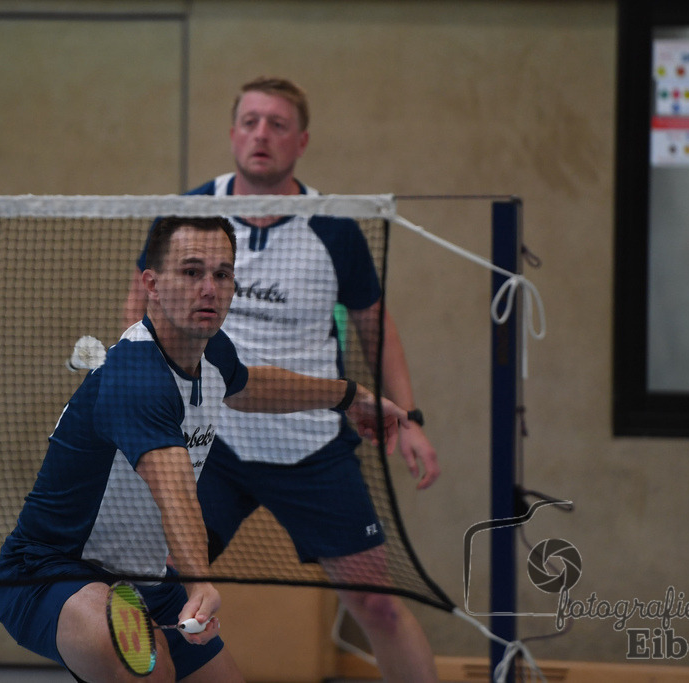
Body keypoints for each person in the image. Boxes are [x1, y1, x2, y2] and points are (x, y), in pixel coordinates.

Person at [0, 215, 409, 683]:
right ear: (152, 283)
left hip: (145, 578)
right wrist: (199, 584)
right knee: (150, 671)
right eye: (192, 272)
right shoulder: (137, 379)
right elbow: (174, 490)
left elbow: (252, 386)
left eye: (222, 273)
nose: (209, 288)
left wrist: (350, 396)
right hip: (51, 571)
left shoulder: (210, 351)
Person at [123, 77, 442, 682]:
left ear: (301, 141)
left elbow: (377, 326)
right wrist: (142, 406)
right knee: (157, 594)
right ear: (232, 134)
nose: (260, 134)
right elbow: (144, 308)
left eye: (275, 123)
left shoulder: (334, 229)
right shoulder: (191, 215)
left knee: (376, 603)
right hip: (210, 448)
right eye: (249, 121)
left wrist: (410, 417)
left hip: (312, 449)